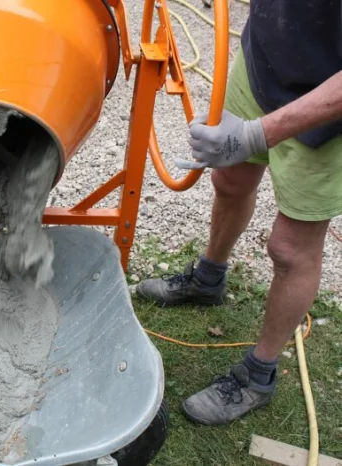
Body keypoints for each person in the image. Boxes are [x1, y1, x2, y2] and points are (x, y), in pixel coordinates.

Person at [136, 1, 342, 426]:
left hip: (330, 104)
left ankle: (259, 375)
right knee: (229, 181)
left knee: (290, 249)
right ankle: (208, 280)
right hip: (266, 56)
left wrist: (255, 135)